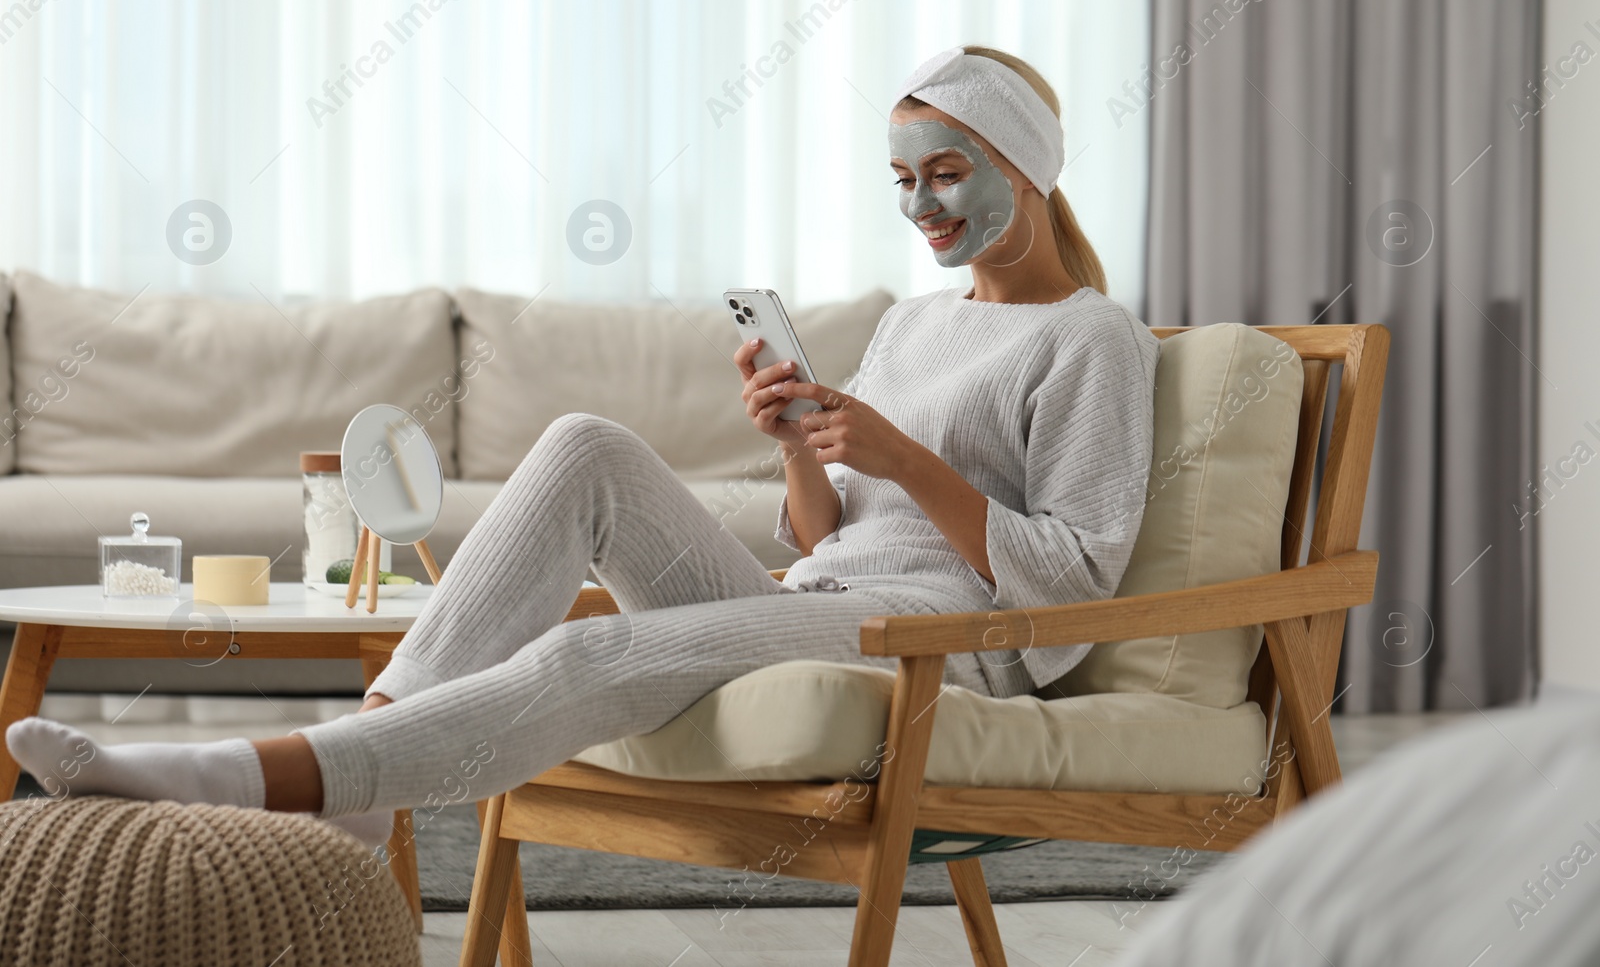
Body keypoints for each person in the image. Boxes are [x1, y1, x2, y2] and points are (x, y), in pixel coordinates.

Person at [5, 46, 1159, 843]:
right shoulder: (917, 321)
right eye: (904, 179)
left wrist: (905, 456)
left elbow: (1074, 572)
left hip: (940, 639)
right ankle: (369, 754)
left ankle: (261, 775)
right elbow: (823, 540)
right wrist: (807, 446)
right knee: (583, 442)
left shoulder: (1092, 336)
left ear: (1028, 167)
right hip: (826, 594)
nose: (922, 206)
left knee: (576, 658)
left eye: (947, 173)